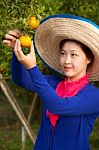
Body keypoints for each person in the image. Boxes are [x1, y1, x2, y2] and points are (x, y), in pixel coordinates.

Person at [3, 14, 99, 150]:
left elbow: (58, 106)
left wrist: (32, 68)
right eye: (63, 53)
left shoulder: (94, 96)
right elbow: (21, 80)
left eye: (73, 55)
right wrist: (16, 50)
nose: (66, 61)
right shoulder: (54, 83)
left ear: (88, 59)